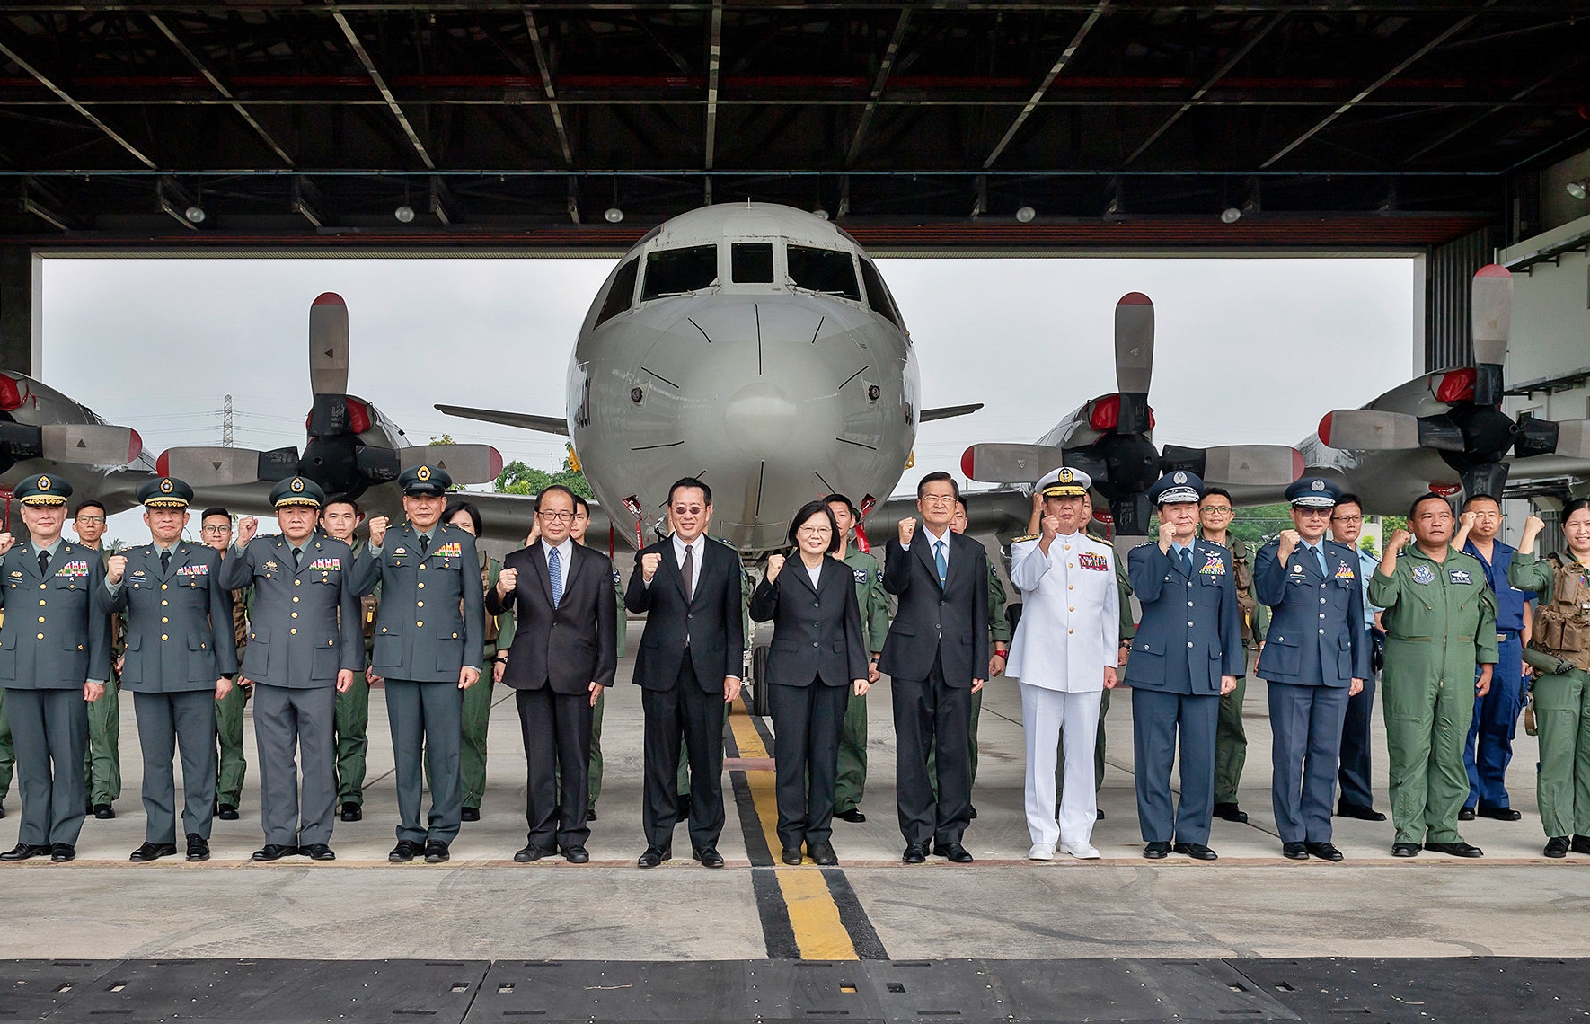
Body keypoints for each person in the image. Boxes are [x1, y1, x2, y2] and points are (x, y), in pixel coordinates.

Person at [221, 476, 363, 862]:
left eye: (303, 510)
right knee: (275, 758)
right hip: (268, 672)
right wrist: (240, 541)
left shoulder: (337, 552)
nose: (295, 516)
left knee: (318, 758)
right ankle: (280, 836)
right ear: (277, 515)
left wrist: (350, 662)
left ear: (316, 515)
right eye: (287, 510)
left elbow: (350, 612)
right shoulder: (260, 548)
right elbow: (228, 580)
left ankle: (317, 835)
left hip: (319, 669)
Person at [352, 465, 483, 865]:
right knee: (405, 752)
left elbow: (475, 608)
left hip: (446, 662)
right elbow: (356, 587)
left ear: (443, 503)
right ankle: (409, 832)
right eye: (415, 498)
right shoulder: (387, 539)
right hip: (400, 662)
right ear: (404, 503)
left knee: (445, 754)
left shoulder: (460, 542)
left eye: (431, 499)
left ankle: (442, 833)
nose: (423, 505)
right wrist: (371, 548)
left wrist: (473, 660)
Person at [111, 477, 237, 862]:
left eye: (173, 513)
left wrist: (226, 671)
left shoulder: (206, 558)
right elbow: (105, 607)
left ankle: (198, 833)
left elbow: (222, 615)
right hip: (148, 672)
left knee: (199, 759)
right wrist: (111, 580)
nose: (166, 519)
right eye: (158, 513)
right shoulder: (129, 560)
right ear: (146, 519)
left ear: (185, 518)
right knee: (155, 761)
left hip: (196, 671)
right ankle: (159, 835)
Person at [488, 484, 615, 864]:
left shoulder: (596, 564)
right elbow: (496, 605)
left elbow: (606, 624)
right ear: (537, 517)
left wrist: (603, 673)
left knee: (575, 760)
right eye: (549, 514)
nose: (557, 521)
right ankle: (540, 836)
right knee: (539, 760)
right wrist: (499, 588)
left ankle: (574, 836)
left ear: (576, 519)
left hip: (578, 673)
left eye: (566, 515)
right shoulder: (519, 560)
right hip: (532, 673)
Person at [1368, 493, 1497, 858]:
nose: (1437, 521)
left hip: (1459, 663)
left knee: (1451, 750)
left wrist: (1487, 663)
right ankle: (1408, 831)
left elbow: (1486, 617)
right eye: (1427, 516)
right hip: (1411, 665)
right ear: (1412, 525)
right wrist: (1393, 550)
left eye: (1443, 515)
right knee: (1410, 749)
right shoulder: (1403, 566)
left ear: (1454, 523)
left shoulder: (1469, 568)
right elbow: (1380, 594)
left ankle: (1445, 830)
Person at [625, 477, 744, 870]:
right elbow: (634, 603)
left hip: (708, 674)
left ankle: (705, 842)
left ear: (708, 512)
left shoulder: (726, 560)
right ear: (670, 512)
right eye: (680, 509)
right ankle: (657, 842)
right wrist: (643, 575)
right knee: (659, 761)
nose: (688, 516)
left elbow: (732, 621)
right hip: (661, 673)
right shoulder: (651, 554)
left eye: (696, 509)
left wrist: (733, 671)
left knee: (707, 762)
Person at [1125, 471, 1243, 861]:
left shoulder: (1218, 557)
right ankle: (1158, 834)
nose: (1183, 514)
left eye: (1189, 506)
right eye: (1174, 507)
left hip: (1204, 670)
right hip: (1156, 671)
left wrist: (1231, 667)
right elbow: (1146, 593)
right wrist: (1164, 549)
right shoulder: (1143, 554)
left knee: (1199, 759)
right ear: (1161, 513)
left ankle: (1194, 834)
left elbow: (1228, 616)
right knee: (1154, 758)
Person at [1005, 467, 1119, 861]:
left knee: (1081, 753)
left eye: (1073, 499)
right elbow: (1026, 581)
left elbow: (1108, 611)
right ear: (1046, 504)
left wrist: (1109, 661)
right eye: (1058, 499)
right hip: (1041, 665)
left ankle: (1077, 831)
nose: (1066, 506)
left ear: (1084, 505)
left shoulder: (1102, 553)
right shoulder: (1027, 547)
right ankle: (1042, 833)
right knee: (1040, 754)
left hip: (1086, 666)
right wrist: (1046, 540)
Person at [1253, 477, 1369, 861]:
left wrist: (1358, 670)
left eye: (1322, 511)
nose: (1315, 518)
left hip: (1334, 668)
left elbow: (1356, 619)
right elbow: (1268, 596)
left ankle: (1319, 831)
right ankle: (1292, 832)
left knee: (1325, 752)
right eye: (1307, 511)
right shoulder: (1273, 552)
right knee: (1289, 753)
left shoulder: (1345, 557)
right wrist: (1285, 556)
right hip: (1289, 668)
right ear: (1294, 514)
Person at [750, 502, 869, 865]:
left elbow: (851, 624)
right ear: (796, 533)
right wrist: (769, 579)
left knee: (824, 757)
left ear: (834, 535)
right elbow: (759, 612)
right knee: (789, 758)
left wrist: (859, 671)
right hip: (789, 676)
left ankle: (819, 838)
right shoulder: (782, 570)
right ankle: (790, 837)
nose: (816, 536)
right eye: (809, 529)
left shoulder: (842, 574)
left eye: (823, 530)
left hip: (831, 675)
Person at [0, 474, 112, 862]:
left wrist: (97, 674)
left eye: (52, 507)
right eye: (35, 508)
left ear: (65, 513)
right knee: (29, 761)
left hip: (68, 673)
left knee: (67, 759)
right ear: (23, 514)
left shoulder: (87, 560)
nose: (44, 514)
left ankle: (63, 836)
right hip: (19, 673)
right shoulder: (8, 559)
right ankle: (32, 836)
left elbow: (99, 622)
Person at [880, 471, 988, 864]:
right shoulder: (901, 544)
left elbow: (979, 611)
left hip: (958, 662)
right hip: (911, 662)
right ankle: (916, 835)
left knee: (954, 751)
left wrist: (979, 662)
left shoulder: (972, 551)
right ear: (919, 504)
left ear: (956, 505)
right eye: (932, 497)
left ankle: (951, 835)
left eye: (947, 498)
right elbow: (895, 584)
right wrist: (905, 547)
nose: (940, 503)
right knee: (912, 752)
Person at [1509, 505, 1590, 857]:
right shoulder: (1551, 568)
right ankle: (1558, 831)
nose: (1582, 530)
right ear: (1565, 528)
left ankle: (1585, 831)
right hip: (1561, 671)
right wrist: (1529, 533)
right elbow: (1521, 578)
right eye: (1575, 523)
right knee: (1557, 754)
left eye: (1589, 524)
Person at [1451, 494, 1535, 822]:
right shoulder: (1457, 554)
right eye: (1477, 514)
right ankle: (1464, 796)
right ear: (1465, 519)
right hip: (1468, 647)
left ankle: (1493, 796)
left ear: (1501, 520)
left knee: (1501, 724)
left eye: (1492, 514)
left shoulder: (1514, 557)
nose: (1486, 519)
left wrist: (1529, 651)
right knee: (1465, 723)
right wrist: (1462, 532)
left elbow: (1526, 607)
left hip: (1510, 647)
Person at [1054, 490, 1135, 818]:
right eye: (1077, 503)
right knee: (1054, 728)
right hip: (1057, 652)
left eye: (1086, 504)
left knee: (1091, 728)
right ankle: (1058, 795)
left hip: (1092, 654)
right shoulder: (1047, 546)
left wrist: (1123, 641)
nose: (1082, 510)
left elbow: (1117, 600)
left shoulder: (1103, 552)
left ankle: (1087, 793)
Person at [1198, 487, 1268, 824]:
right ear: (1199, 513)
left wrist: (1262, 638)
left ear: (1231, 515)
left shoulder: (1243, 554)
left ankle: (1224, 796)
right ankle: (1198, 793)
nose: (1214, 514)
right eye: (1208, 509)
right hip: (1196, 642)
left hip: (1234, 646)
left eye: (1221, 509)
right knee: (1197, 721)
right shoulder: (1187, 546)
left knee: (1229, 721)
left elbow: (1254, 596)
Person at [935, 497, 1008, 820]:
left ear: (965, 521)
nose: (953, 520)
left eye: (959, 515)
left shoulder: (977, 558)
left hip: (964, 659)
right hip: (930, 659)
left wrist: (998, 648)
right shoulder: (924, 552)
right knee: (931, 734)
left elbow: (991, 607)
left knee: (964, 733)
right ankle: (933, 794)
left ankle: (961, 794)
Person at [443, 499, 514, 822]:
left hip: (480, 659)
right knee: (440, 731)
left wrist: (503, 654)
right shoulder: (434, 563)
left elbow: (506, 613)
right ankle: (443, 795)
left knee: (472, 729)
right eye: (454, 527)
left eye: (466, 527)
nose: (460, 532)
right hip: (440, 659)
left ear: (477, 532)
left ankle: (470, 795)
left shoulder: (493, 567)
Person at [826, 494, 888, 824]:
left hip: (853, 661)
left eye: (843, 514)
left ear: (853, 522)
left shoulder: (865, 565)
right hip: (816, 658)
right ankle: (815, 795)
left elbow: (876, 610)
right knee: (814, 731)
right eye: (830, 514)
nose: (837, 520)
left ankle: (846, 796)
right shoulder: (807, 558)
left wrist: (876, 656)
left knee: (852, 729)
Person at [568, 494, 628, 822]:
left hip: (589, 665)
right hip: (556, 663)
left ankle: (587, 797)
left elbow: (614, 614)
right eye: (567, 515)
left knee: (589, 735)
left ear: (587, 522)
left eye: (578, 517)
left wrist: (607, 664)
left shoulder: (600, 565)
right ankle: (561, 794)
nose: (572, 522)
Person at [1328, 493, 1388, 821]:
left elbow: (1379, 615)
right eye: (1343, 518)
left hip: (1362, 644)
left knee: (1358, 725)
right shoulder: (1319, 557)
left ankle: (1356, 798)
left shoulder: (1370, 563)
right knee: (1321, 728)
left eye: (1356, 518)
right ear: (1330, 522)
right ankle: (1316, 798)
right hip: (1326, 644)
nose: (1351, 524)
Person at [320, 496, 375, 823]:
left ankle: (351, 794)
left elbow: (385, 605)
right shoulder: (312, 554)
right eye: (333, 516)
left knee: (352, 728)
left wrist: (375, 658)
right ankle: (326, 791)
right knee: (319, 732)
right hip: (317, 657)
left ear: (359, 520)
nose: (340, 522)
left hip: (356, 656)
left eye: (347, 516)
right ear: (321, 521)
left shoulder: (370, 556)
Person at [200, 508, 251, 821]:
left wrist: (249, 665)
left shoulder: (243, 569)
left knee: (230, 734)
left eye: (222, 528)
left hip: (232, 662)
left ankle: (228, 797)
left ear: (231, 533)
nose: (217, 533)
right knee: (199, 738)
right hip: (197, 663)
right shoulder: (191, 565)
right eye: (210, 528)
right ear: (201, 532)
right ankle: (205, 796)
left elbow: (257, 615)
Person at [72, 499, 121, 819]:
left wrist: (124, 650)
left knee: (103, 730)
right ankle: (81, 792)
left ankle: (102, 794)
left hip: (103, 658)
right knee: (74, 733)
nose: (90, 525)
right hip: (68, 661)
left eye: (96, 520)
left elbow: (130, 609)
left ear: (105, 527)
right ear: (73, 525)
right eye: (84, 520)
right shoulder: (65, 560)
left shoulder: (116, 563)